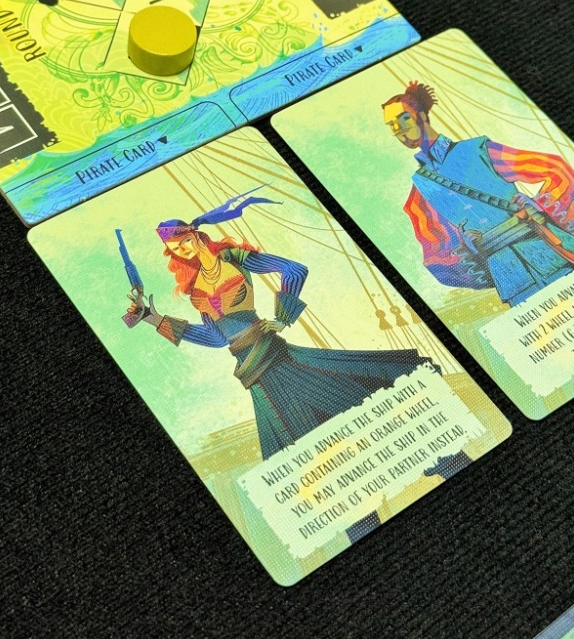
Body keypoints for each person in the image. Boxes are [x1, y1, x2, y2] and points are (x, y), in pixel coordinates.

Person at [126, 191, 436, 460]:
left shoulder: (233, 258)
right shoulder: (195, 288)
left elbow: (294, 270)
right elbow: (216, 338)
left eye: (183, 242)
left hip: (276, 356)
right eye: (175, 249)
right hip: (252, 372)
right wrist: (152, 318)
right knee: (303, 451)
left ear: (195, 235)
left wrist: (283, 318)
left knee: (354, 407)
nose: (183, 250)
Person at [382, 81, 574, 307]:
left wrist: (539, 206)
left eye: (403, 118)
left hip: (547, 247)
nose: (399, 129)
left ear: (422, 116)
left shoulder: (478, 149)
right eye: (391, 125)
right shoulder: (420, 188)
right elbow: (436, 253)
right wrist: (467, 247)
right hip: (510, 276)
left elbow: (555, 168)